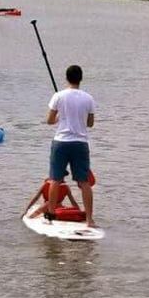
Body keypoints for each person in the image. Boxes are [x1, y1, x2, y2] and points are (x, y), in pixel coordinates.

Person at [46, 64, 96, 227]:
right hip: (80, 143)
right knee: (84, 182)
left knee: (55, 179)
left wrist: (60, 116)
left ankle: (51, 215)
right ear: (80, 79)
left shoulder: (58, 96)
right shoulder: (88, 98)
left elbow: (49, 121)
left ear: (66, 78)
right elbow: (90, 123)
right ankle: (89, 219)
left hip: (61, 142)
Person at [22, 173, 96, 220]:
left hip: (47, 207)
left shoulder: (47, 185)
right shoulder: (66, 187)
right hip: (58, 208)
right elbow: (73, 202)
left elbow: (35, 198)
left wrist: (26, 210)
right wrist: (79, 211)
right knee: (61, 206)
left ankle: (31, 217)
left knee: (46, 205)